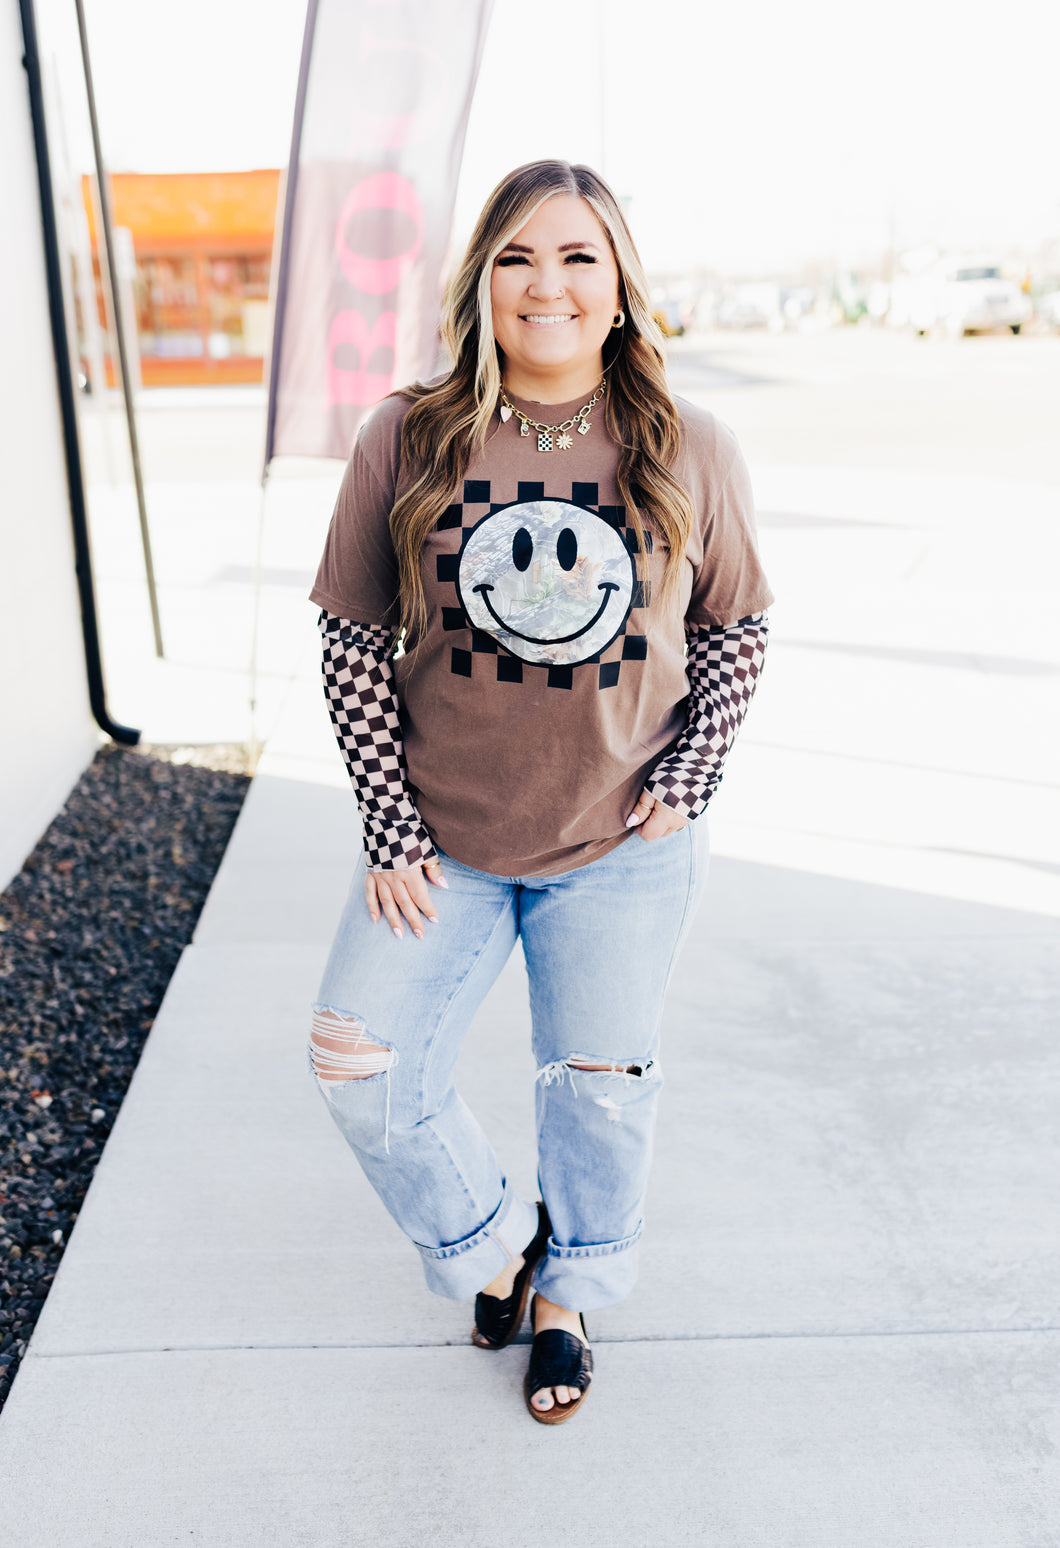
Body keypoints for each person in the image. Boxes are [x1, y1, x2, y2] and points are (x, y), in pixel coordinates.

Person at [306, 160, 773, 1425]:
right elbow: (351, 636)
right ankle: (502, 1244)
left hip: (621, 844)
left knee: (600, 1084)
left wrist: (694, 769)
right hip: (442, 841)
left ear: (618, 284)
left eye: (576, 256)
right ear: (481, 282)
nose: (546, 284)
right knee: (357, 1059)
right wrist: (389, 821)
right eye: (517, 256)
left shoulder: (687, 442)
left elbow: (737, 627)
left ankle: (571, 1296)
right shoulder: (408, 433)